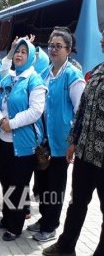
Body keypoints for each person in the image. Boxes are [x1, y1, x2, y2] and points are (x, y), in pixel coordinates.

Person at [42, 29, 104, 256]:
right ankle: (65, 246)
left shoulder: (74, 74)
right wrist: (73, 142)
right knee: (77, 202)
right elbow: (83, 112)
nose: (102, 40)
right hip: (86, 153)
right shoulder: (98, 71)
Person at [27, 27, 85, 243]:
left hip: (61, 142)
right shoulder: (44, 74)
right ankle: (44, 218)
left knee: (56, 185)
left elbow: (80, 110)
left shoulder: (72, 75)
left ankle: (51, 225)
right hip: (43, 141)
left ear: (68, 50)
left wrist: (74, 141)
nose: (53, 49)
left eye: (58, 46)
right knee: (42, 182)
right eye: (51, 45)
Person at [0, 38, 47, 241]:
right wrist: (0, 120)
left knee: (19, 185)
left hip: (23, 145)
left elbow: (35, 111)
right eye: (17, 51)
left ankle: (15, 226)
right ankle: (6, 218)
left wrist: (11, 123)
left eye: (24, 52)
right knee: (5, 182)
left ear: (30, 56)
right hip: (3, 141)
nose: (19, 55)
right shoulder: (8, 79)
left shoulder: (34, 81)